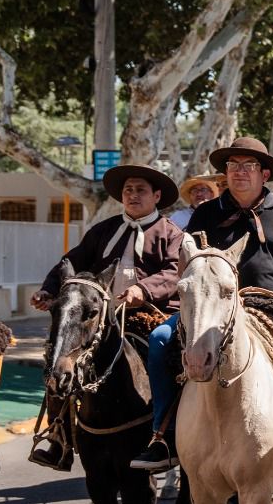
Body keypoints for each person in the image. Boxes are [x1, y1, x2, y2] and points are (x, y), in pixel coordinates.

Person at [131, 137, 273, 475]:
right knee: (161, 340)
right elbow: (185, 263)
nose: (239, 173)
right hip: (213, 306)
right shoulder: (205, 213)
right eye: (233, 166)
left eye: (248, 166)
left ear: (264, 173)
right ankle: (163, 435)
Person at [27, 164, 182, 469]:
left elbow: (175, 272)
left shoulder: (171, 233)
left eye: (140, 190)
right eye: (128, 190)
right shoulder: (104, 229)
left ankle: (167, 436)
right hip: (100, 318)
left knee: (168, 355)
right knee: (58, 354)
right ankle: (59, 437)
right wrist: (48, 290)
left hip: (152, 315)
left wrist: (144, 291)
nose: (132, 195)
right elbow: (70, 262)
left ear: (157, 195)